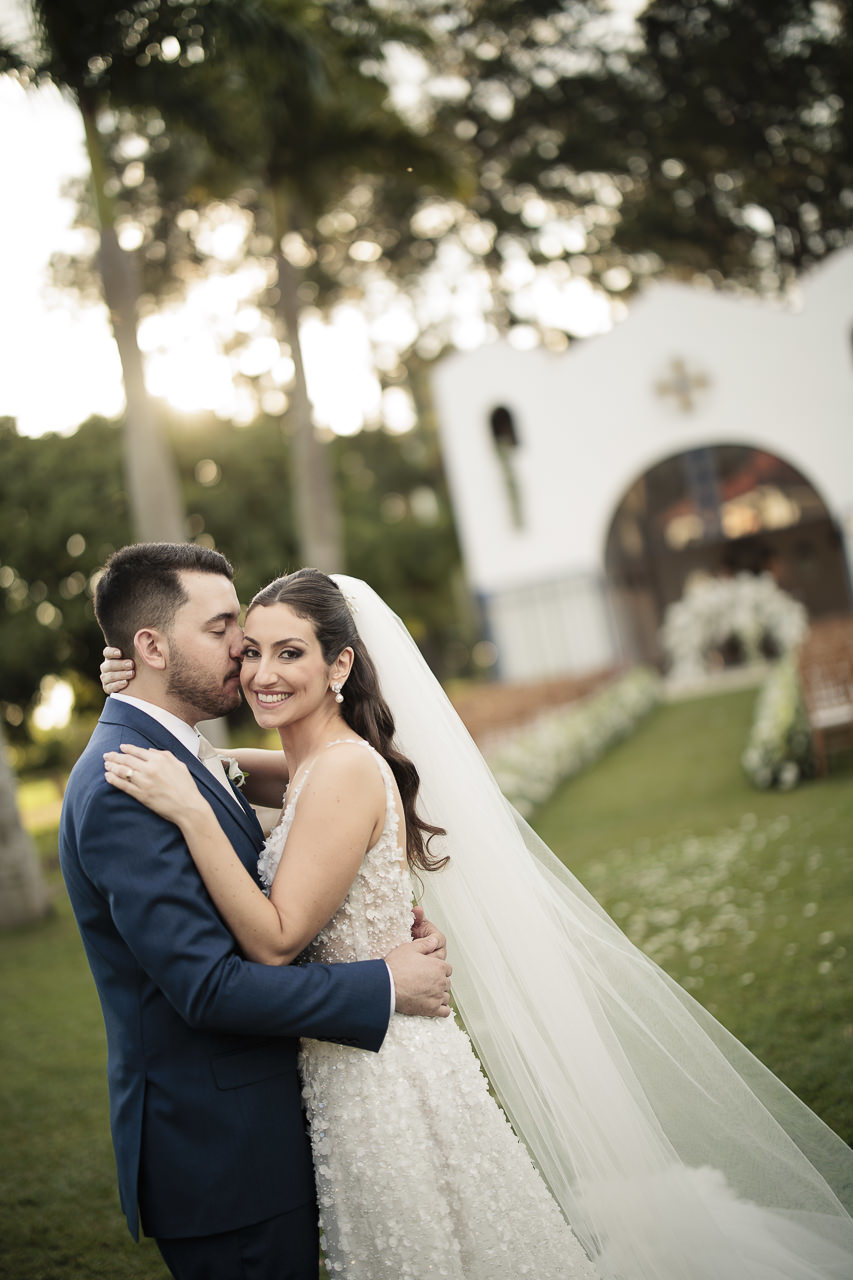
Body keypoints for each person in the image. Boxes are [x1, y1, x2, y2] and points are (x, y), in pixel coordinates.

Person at [101, 570, 853, 1280]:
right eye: (252, 650)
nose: (262, 671)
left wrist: (194, 815)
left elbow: (273, 939)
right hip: (361, 1053)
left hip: (382, 1075)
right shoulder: (308, 765)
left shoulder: (339, 771)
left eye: (289, 652)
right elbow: (208, 759)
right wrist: (139, 691)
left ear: (339, 666)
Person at [59, 544, 452, 1280]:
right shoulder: (128, 782)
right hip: (221, 1159)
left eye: (269, 642)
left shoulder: (188, 759)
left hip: (292, 1123)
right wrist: (384, 982)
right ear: (151, 645)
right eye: (223, 631)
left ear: (337, 665)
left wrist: (138, 686)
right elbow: (209, 987)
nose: (243, 651)